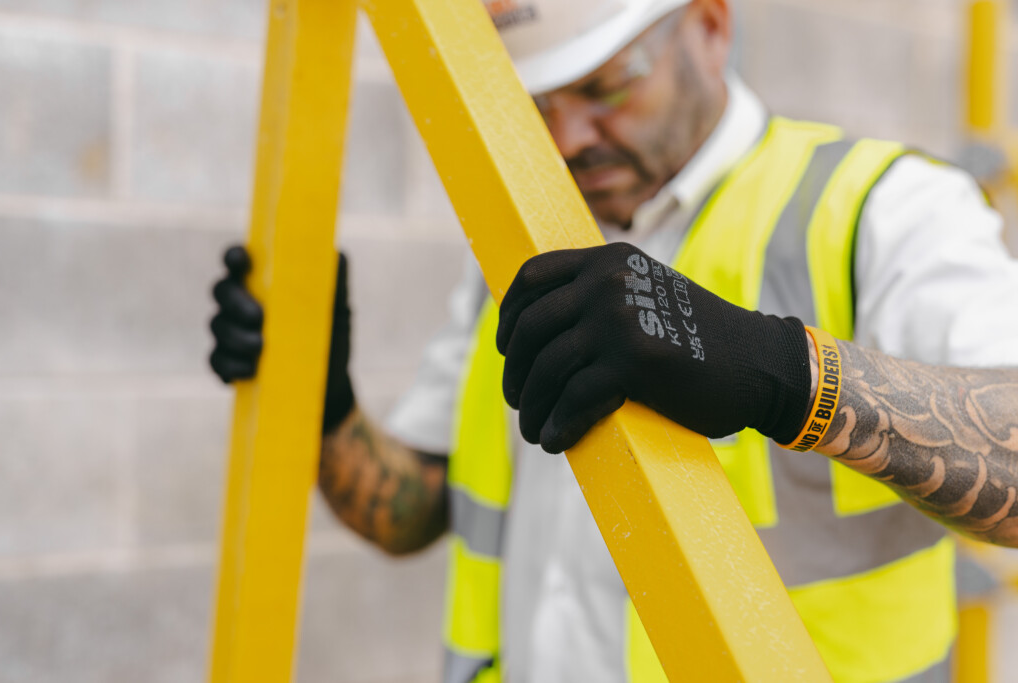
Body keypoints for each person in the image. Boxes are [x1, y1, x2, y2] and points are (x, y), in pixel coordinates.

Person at [208, 0, 1018, 680]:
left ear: (708, 24)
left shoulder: (881, 211)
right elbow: (411, 511)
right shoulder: (522, 240)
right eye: (537, 106)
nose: (566, 140)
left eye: (605, 87)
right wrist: (321, 400)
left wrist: (776, 372)